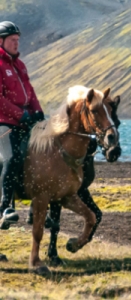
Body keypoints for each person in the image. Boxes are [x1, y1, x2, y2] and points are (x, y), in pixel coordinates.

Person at [0, 21, 44, 230]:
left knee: (45, 151)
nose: (17, 44)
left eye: (18, 40)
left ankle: (39, 205)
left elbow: (30, 92)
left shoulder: (20, 65)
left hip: (24, 120)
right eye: (12, 40)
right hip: (3, 123)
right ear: (1, 42)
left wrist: (37, 111)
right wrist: (21, 115)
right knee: (11, 157)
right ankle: (4, 207)